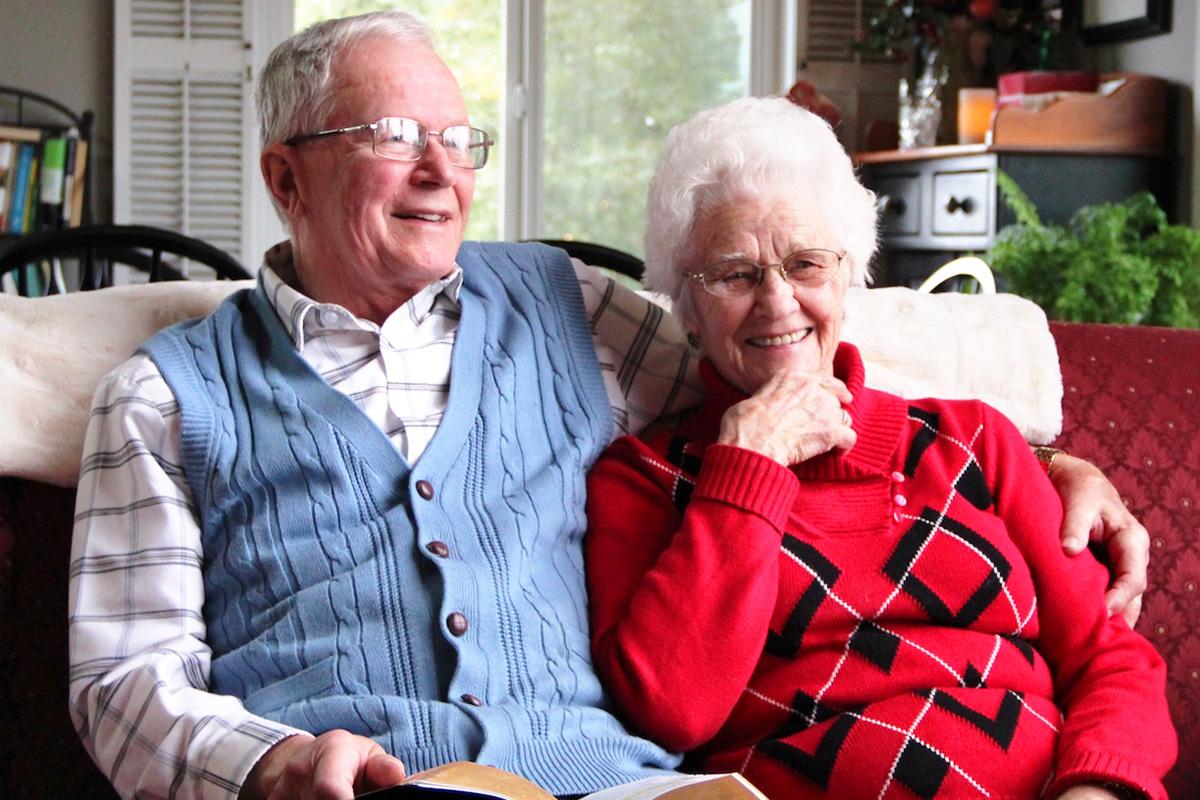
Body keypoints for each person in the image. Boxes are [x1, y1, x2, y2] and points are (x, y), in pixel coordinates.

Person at [66, 10, 1148, 800]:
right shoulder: (163, 397)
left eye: (461, 138)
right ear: (285, 177)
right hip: (371, 779)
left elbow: (775, 356)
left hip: (621, 785)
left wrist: (1042, 460)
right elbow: (125, 679)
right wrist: (268, 763)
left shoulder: (563, 306)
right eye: (395, 136)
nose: (443, 170)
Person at [585, 96, 1175, 800]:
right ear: (685, 301)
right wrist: (748, 467)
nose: (777, 304)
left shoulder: (974, 442)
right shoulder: (645, 480)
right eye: (735, 275)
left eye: (805, 264)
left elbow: (1110, 662)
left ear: (849, 274)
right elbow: (672, 710)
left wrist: (1096, 790)